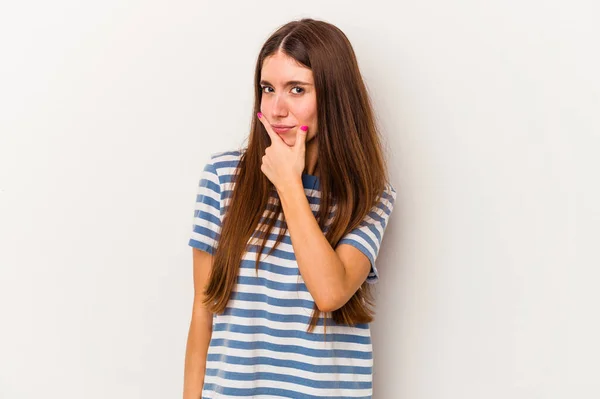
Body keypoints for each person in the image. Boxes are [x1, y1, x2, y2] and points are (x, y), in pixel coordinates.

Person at [183, 18, 397, 399]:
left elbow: (330, 292)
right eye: (268, 89)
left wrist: (288, 185)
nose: (277, 108)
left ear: (333, 95)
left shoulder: (368, 196)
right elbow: (203, 311)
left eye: (297, 89)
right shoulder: (223, 178)